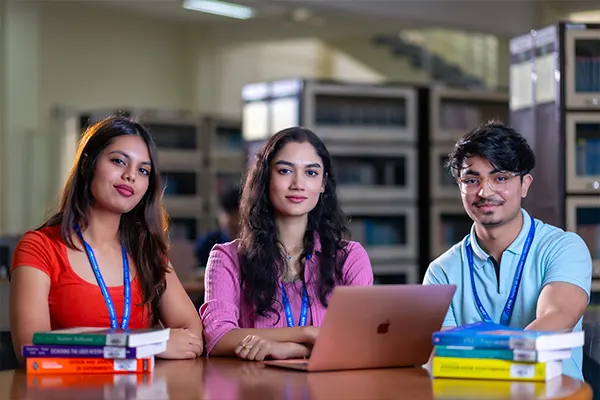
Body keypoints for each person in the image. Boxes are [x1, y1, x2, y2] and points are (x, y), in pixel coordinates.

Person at [10, 115, 204, 363]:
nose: (130, 176)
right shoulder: (39, 248)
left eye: (143, 170)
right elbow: (30, 350)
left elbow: (192, 334)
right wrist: (143, 346)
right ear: (87, 165)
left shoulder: (146, 251)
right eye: (118, 161)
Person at [423, 121, 592, 380]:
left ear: (525, 184)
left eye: (500, 178)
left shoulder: (563, 248)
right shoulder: (441, 272)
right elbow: (440, 358)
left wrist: (485, 356)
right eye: (471, 180)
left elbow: (557, 316)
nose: (484, 191)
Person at [200, 126, 373, 361]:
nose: (298, 184)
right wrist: (307, 333)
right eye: (285, 171)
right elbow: (218, 337)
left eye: (311, 173)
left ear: (323, 184)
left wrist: (291, 349)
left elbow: (361, 339)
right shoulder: (227, 258)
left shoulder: (350, 257)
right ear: (265, 178)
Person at [195, 186, 241, 268]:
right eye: (226, 214)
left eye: (235, 215)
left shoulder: (252, 245)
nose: (229, 221)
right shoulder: (208, 242)